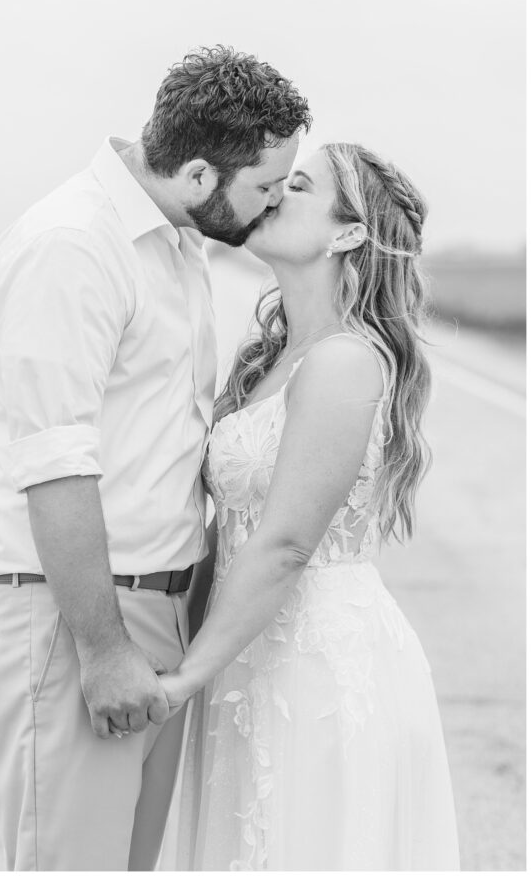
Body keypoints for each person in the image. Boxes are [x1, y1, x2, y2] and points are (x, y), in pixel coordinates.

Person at [0, 46, 311, 871]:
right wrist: (103, 647)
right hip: (76, 616)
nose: (272, 204)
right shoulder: (73, 247)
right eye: (265, 186)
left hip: (159, 612)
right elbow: (55, 464)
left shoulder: (176, 243)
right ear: (197, 173)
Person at [158, 143, 460, 870]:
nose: (270, 195)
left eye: (297, 186)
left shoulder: (346, 362)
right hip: (243, 653)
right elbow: (222, 532)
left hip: (319, 668)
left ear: (348, 232)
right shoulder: (273, 358)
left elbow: (287, 542)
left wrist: (182, 680)